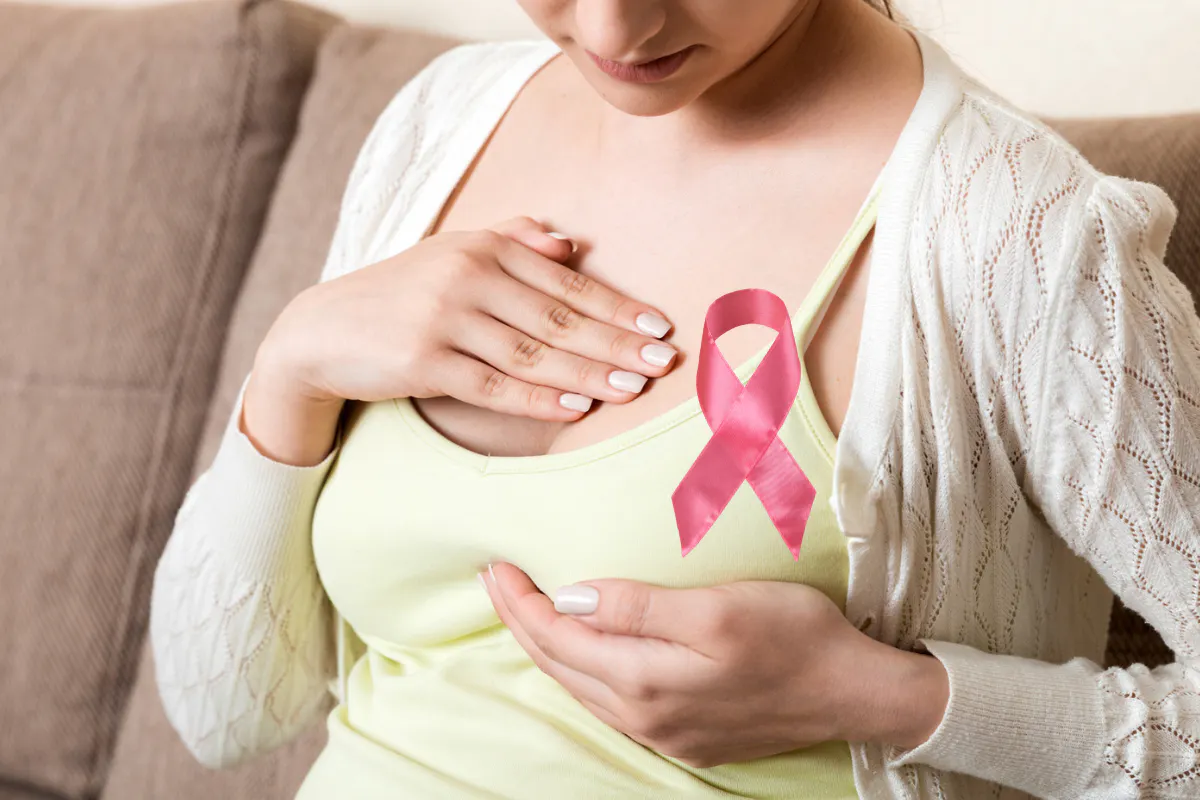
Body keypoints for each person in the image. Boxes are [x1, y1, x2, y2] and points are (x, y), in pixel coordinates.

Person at [147, 0, 1200, 797]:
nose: (615, 27)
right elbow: (226, 714)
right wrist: (292, 368)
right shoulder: (442, 123)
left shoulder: (1020, 235)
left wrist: (886, 698)